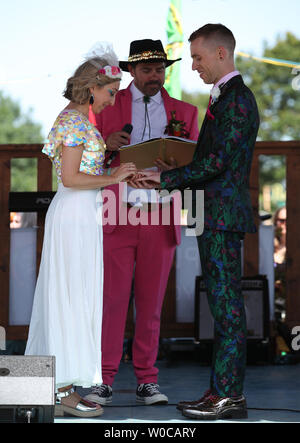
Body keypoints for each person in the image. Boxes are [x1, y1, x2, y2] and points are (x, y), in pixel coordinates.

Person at [135, 24, 260, 420]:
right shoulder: (223, 98)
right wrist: (173, 167)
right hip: (212, 213)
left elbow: (219, 162)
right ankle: (220, 392)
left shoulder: (238, 100)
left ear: (221, 54)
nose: (193, 66)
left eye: (198, 58)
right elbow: (211, 160)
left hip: (222, 216)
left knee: (226, 309)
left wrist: (166, 179)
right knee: (220, 307)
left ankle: (228, 396)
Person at [25, 43, 137, 418]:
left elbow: (79, 169)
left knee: (77, 297)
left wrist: (110, 161)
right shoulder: (74, 123)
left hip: (81, 215)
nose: (112, 100)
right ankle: (59, 391)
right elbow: (71, 178)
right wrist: (113, 176)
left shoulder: (80, 121)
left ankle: (65, 388)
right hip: (73, 214)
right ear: (93, 87)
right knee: (69, 298)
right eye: (110, 92)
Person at [85, 39, 199, 406]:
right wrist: (106, 145)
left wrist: (177, 164)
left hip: (161, 215)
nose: (155, 76)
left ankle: (148, 380)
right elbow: (80, 158)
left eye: (160, 69)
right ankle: (103, 379)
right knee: (112, 300)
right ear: (131, 71)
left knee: (151, 305)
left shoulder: (185, 111)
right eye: (147, 69)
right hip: (117, 214)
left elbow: (195, 162)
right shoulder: (104, 104)